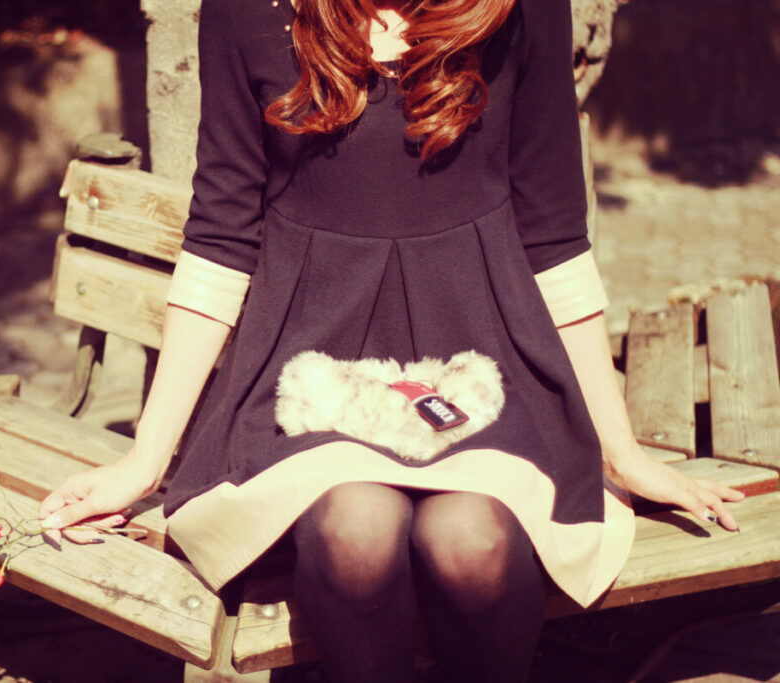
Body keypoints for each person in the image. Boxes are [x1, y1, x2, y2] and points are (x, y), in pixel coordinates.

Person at [40, 0, 743, 680]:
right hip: (310, 369)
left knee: (472, 540)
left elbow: (553, 236)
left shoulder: (521, 7)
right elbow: (221, 237)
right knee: (356, 528)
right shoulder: (248, 9)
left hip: (486, 362)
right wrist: (146, 459)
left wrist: (622, 451)